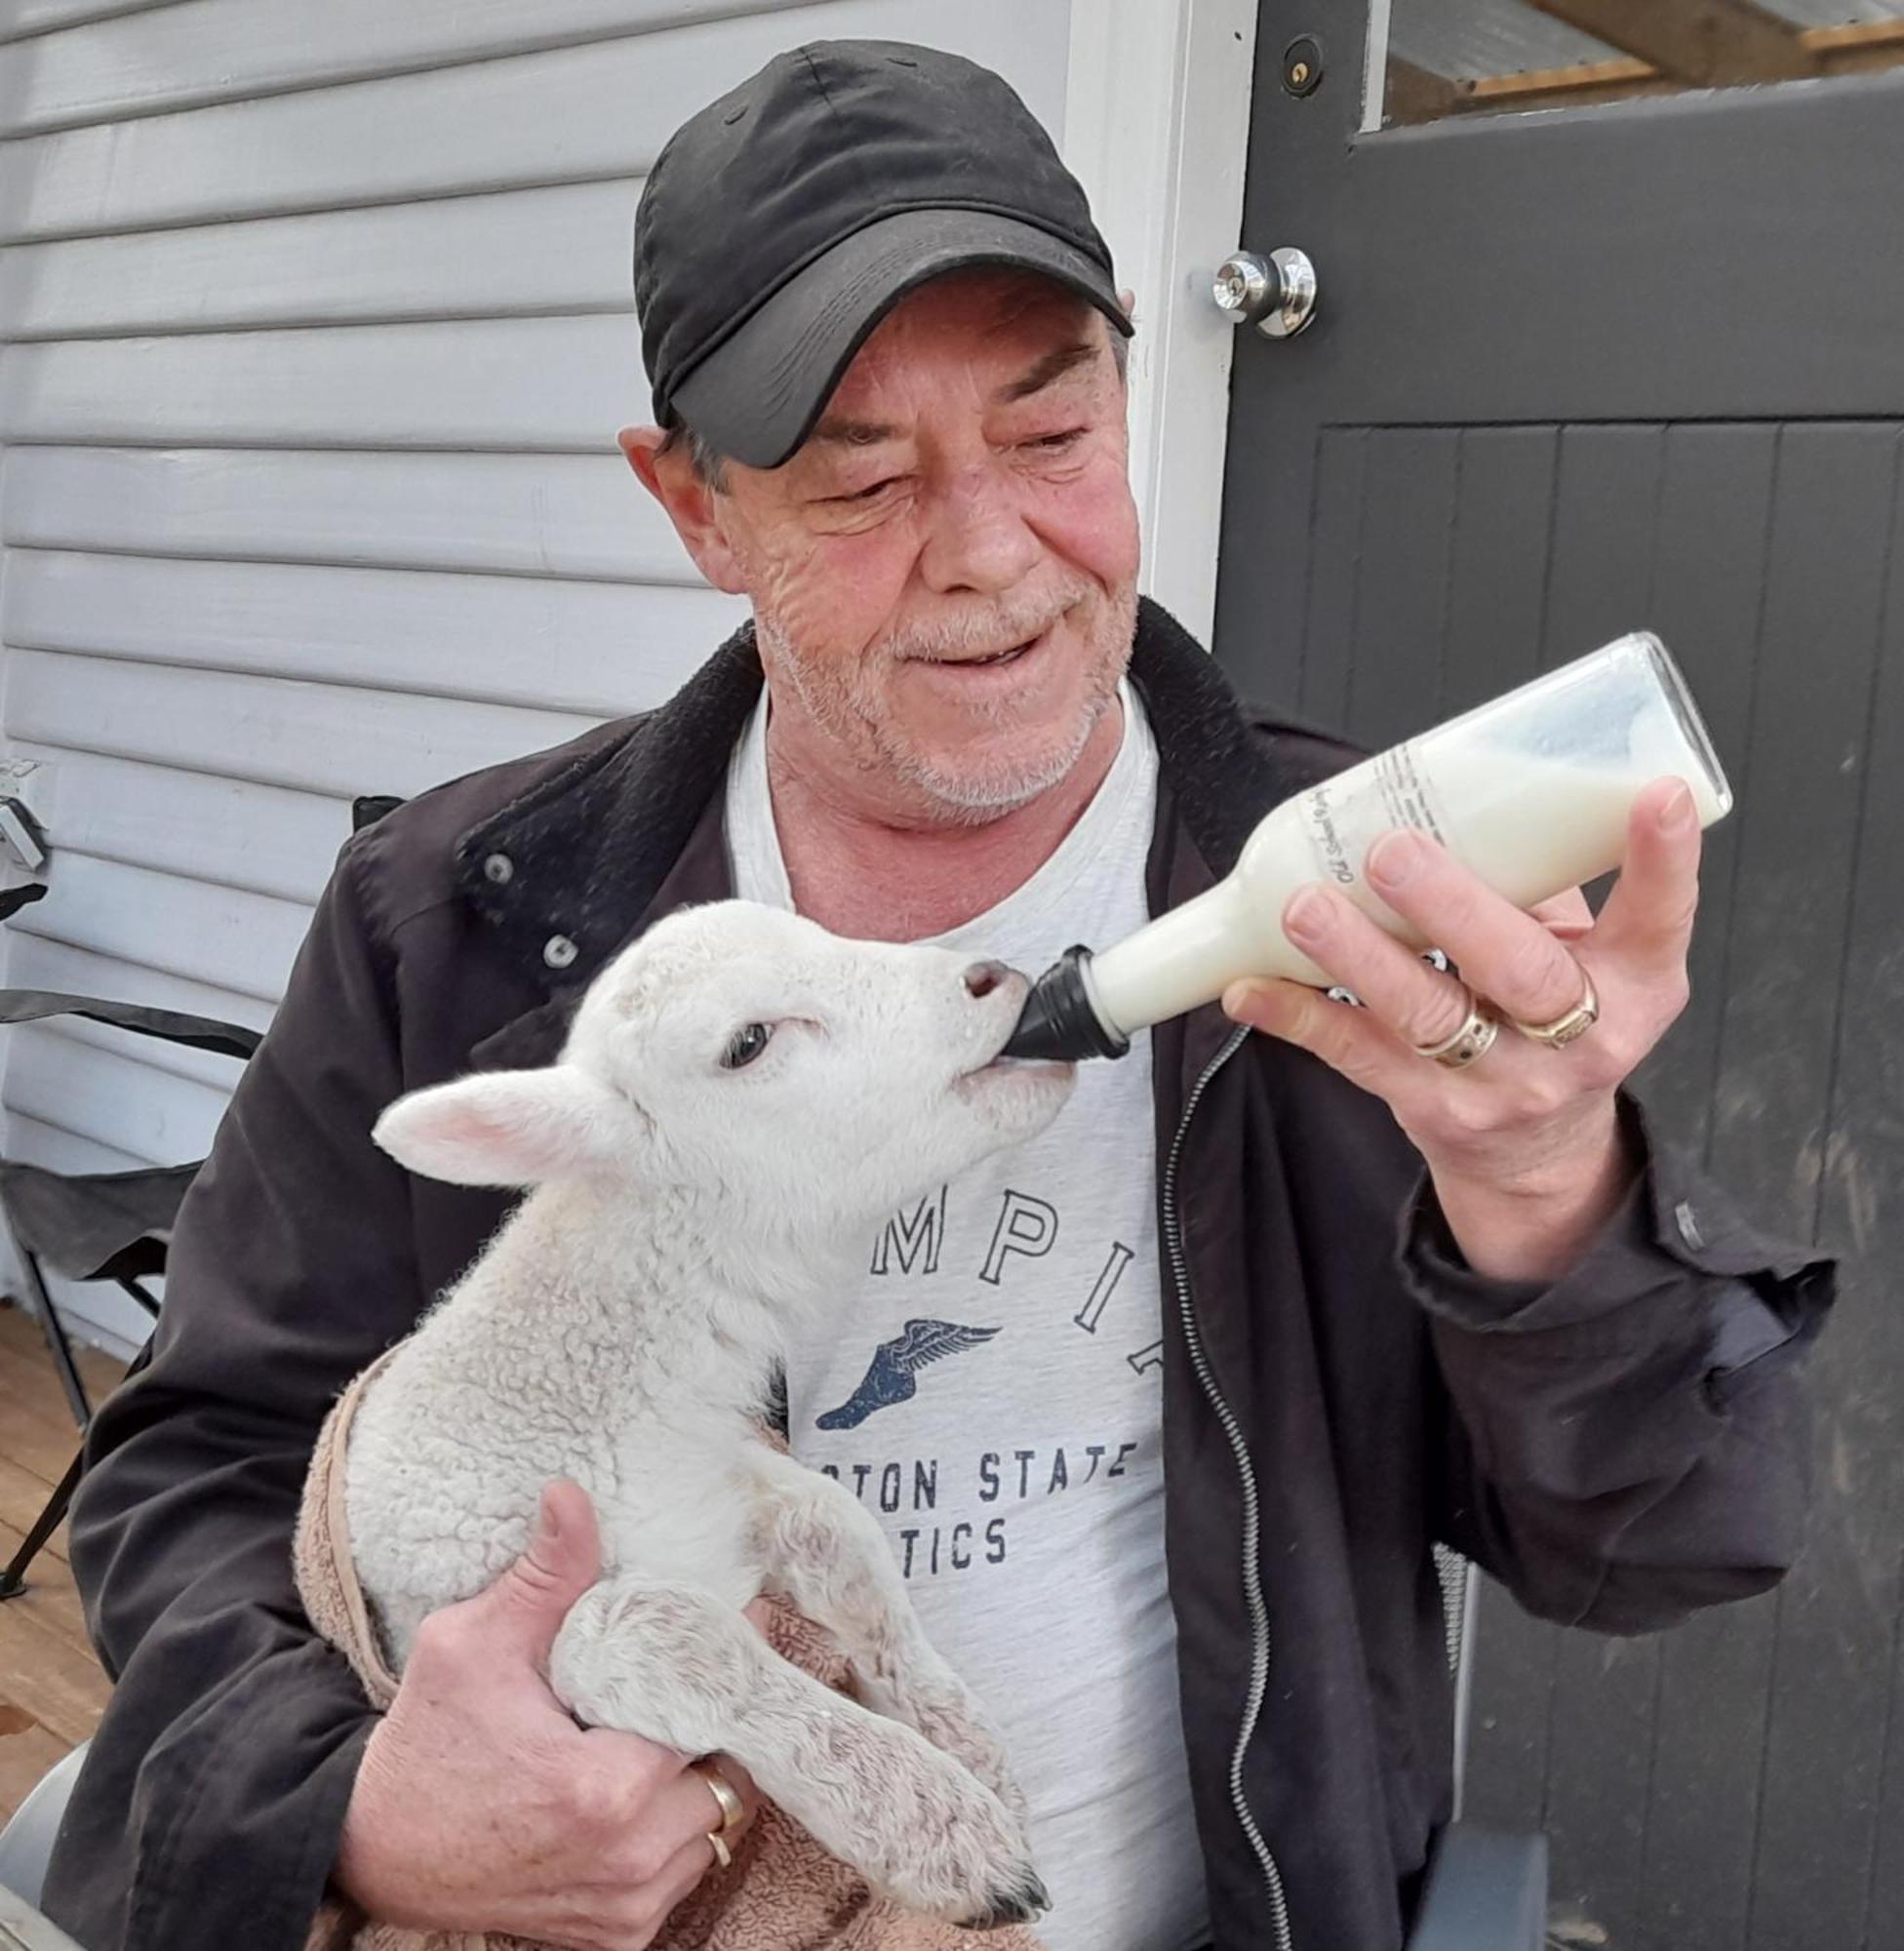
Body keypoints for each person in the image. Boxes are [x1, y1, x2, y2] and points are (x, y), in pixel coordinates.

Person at [44, 38, 1832, 1951]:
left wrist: (1547, 1182)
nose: (987, 557)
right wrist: (354, 1804)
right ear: (694, 509)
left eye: (1051, 441)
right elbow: (199, 1467)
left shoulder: (1354, 907)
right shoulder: (464, 925)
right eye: (860, 480)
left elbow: (1670, 1541)